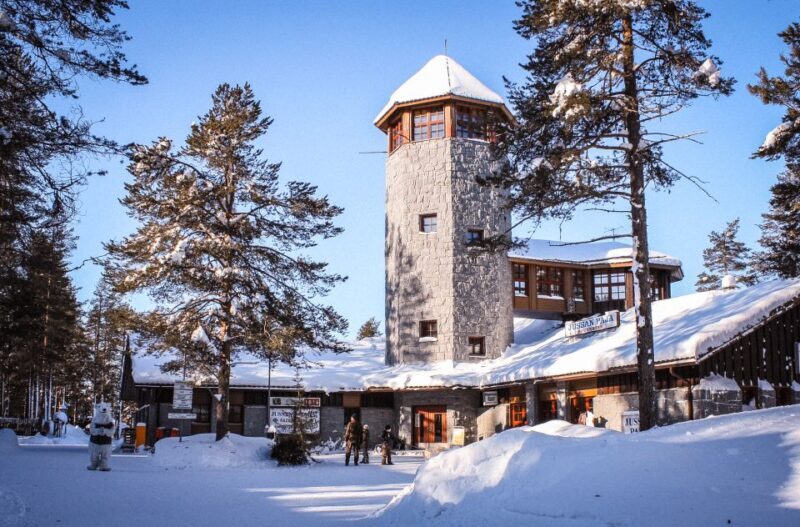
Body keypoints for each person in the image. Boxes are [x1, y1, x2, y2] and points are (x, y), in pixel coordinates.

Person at [87, 402, 116, 471]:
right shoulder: (94, 422)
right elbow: (92, 430)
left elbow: (112, 431)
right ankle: (93, 464)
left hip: (106, 442)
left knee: (105, 455)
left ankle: (103, 465)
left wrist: (105, 431)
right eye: (100, 407)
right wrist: (98, 431)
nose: (103, 409)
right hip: (95, 441)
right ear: (97, 408)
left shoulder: (110, 423)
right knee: (94, 454)